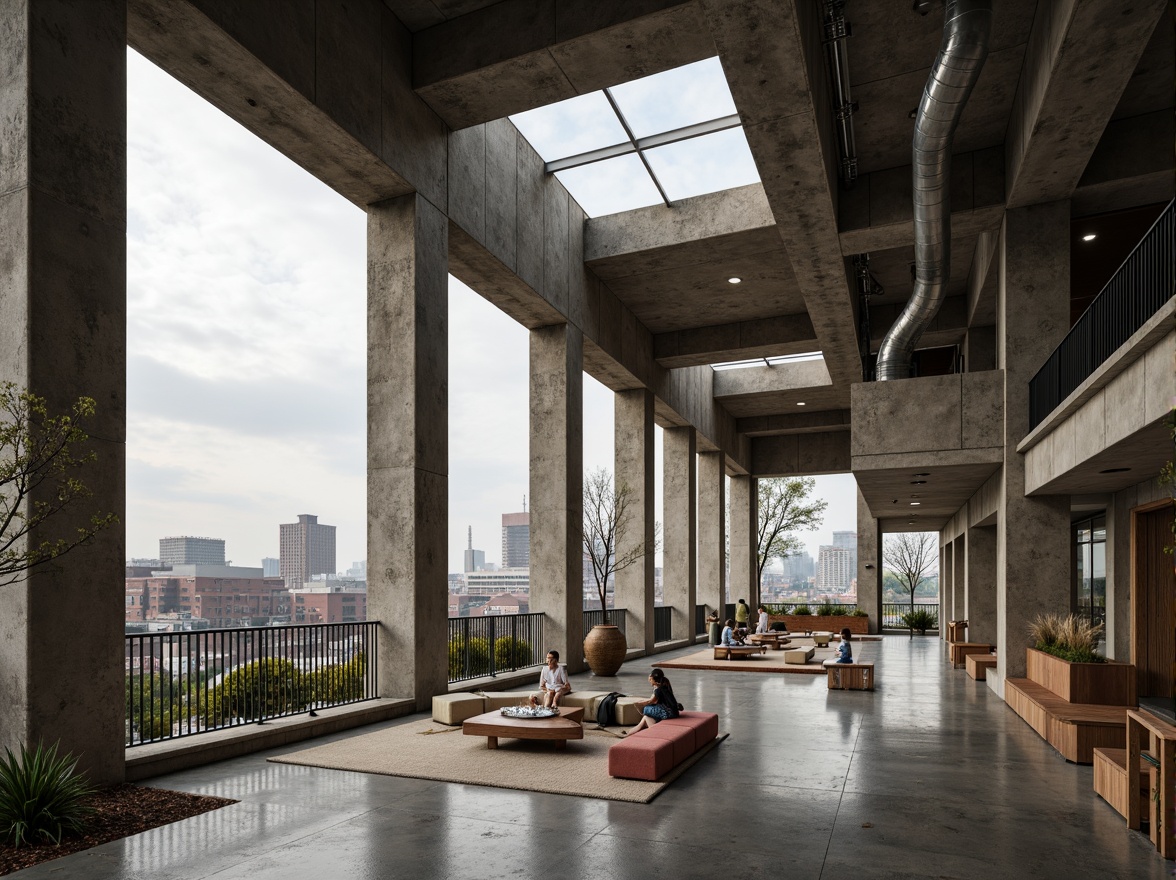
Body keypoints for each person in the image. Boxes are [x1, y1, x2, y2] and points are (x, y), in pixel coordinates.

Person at [625, 669, 681, 735]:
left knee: (646, 709)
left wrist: (640, 704)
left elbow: (652, 701)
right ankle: (632, 731)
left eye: (651, 680)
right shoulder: (664, 684)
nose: (650, 681)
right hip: (673, 712)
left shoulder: (659, 689)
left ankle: (656, 732)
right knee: (646, 717)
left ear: (654, 679)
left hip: (668, 713)